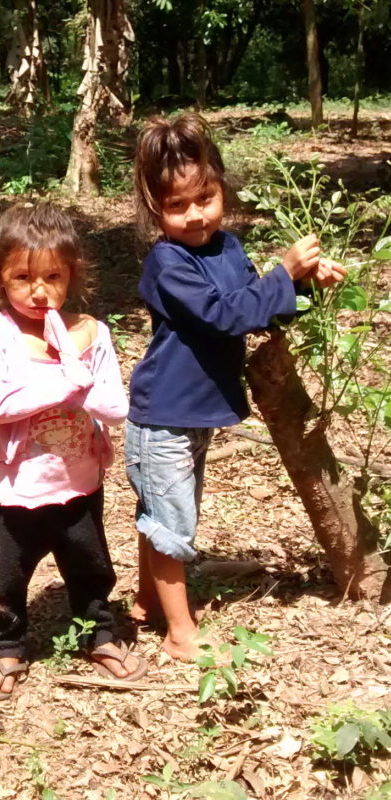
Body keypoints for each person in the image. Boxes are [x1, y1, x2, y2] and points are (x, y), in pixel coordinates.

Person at [125, 113, 345, 660]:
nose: (196, 215)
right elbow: (225, 316)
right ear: (156, 209)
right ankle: (180, 633)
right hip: (165, 414)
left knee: (165, 511)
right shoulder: (166, 263)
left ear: (222, 189)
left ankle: (149, 601)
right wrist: (282, 274)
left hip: (195, 411)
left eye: (205, 198)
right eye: (177, 206)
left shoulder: (227, 248)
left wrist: (305, 287)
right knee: (170, 521)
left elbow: (257, 309)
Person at [0, 203, 147, 700]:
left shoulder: (91, 333)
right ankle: (7, 646)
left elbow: (113, 406)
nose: (39, 290)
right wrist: (64, 384)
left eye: (53, 276)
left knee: (91, 566)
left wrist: (75, 363)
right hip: (15, 492)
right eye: (22, 277)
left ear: (73, 274)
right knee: (10, 575)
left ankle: (100, 635)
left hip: (79, 482)